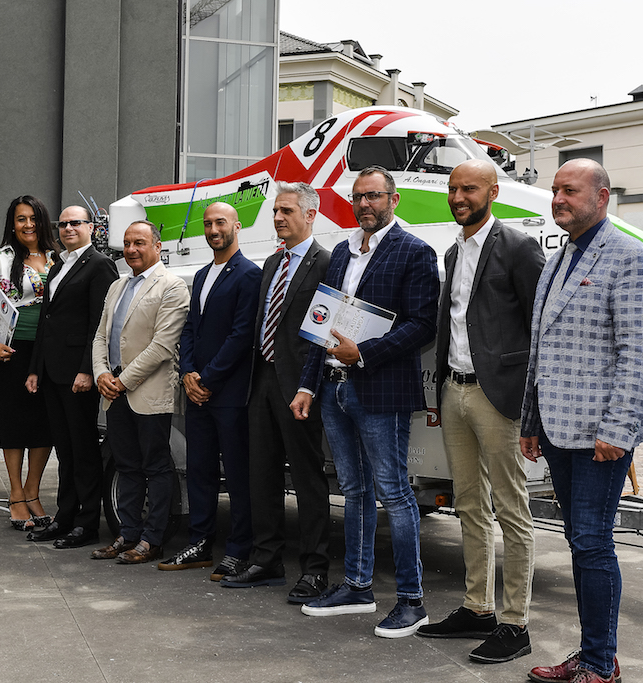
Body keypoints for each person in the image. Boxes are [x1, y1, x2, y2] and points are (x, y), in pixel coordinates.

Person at [520, 159, 643, 683]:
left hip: (602, 433)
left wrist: (618, 430)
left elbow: (637, 353)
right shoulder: (558, 258)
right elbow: (541, 350)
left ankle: (601, 664)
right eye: (555, 190)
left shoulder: (631, 258)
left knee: (592, 543)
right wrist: (530, 421)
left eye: (571, 190)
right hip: (558, 427)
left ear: (602, 197)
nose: (558, 199)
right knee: (580, 542)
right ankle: (592, 654)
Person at [291, 166, 439, 638]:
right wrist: (307, 386)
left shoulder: (414, 251)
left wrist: (365, 353)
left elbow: (423, 324)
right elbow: (322, 323)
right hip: (334, 387)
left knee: (394, 492)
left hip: (379, 388)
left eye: (373, 196)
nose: (365, 204)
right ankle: (357, 587)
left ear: (394, 200)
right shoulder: (342, 251)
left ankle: (412, 601)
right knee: (354, 490)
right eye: (358, 197)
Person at [419, 160, 545, 664]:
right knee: (469, 505)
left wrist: (532, 403)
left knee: (511, 509)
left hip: (499, 395)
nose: (458, 197)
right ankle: (478, 608)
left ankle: (515, 624)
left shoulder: (518, 247)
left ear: (493, 191)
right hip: (455, 391)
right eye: (452, 189)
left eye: (468, 188)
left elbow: (539, 326)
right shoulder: (453, 251)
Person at [220, 182, 332, 603]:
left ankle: (315, 570)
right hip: (262, 380)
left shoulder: (326, 262)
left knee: (307, 479)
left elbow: (324, 331)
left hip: (299, 385)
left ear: (310, 215)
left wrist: (308, 385)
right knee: (261, 474)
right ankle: (266, 560)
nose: (278, 217)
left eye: (287, 211)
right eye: (276, 211)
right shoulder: (271, 262)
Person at [160, 202, 262, 580]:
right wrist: (188, 372)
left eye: (220, 222)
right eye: (207, 224)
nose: (213, 229)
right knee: (199, 470)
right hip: (198, 391)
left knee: (237, 475)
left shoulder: (249, 275)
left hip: (230, 395)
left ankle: (238, 550)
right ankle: (200, 543)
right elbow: (190, 329)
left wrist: (207, 379)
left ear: (237, 226)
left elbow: (242, 336)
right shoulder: (202, 274)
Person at [90, 220, 190, 564]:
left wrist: (122, 381)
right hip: (114, 391)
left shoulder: (172, 286)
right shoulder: (117, 286)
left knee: (157, 466)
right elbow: (101, 336)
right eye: (128, 243)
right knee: (126, 465)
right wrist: (102, 373)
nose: (131, 249)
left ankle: (153, 540)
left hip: (147, 393)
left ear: (157, 247)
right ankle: (127, 534)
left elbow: (163, 346)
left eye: (140, 243)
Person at [26, 206, 118, 549]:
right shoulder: (58, 265)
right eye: (63, 224)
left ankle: (87, 523)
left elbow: (99, 323)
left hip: (78, 373)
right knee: (64, 450)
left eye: (75, 223)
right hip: (52, 371)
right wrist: (35, 368)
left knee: (83, 450)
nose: (67, 228)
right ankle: (64, 517)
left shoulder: (99, 264)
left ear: (90, 227)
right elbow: (46, 321)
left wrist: (88, 369)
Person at [0, 195, 57, 531]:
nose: (28, 225)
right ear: (12, 224)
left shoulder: (59, 258)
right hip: (12, 350)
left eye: (34, 218)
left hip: (51, 351)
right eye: (21, 219)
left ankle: (33, 491)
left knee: (45, 422)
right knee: (16, 421)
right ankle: (16, 495)